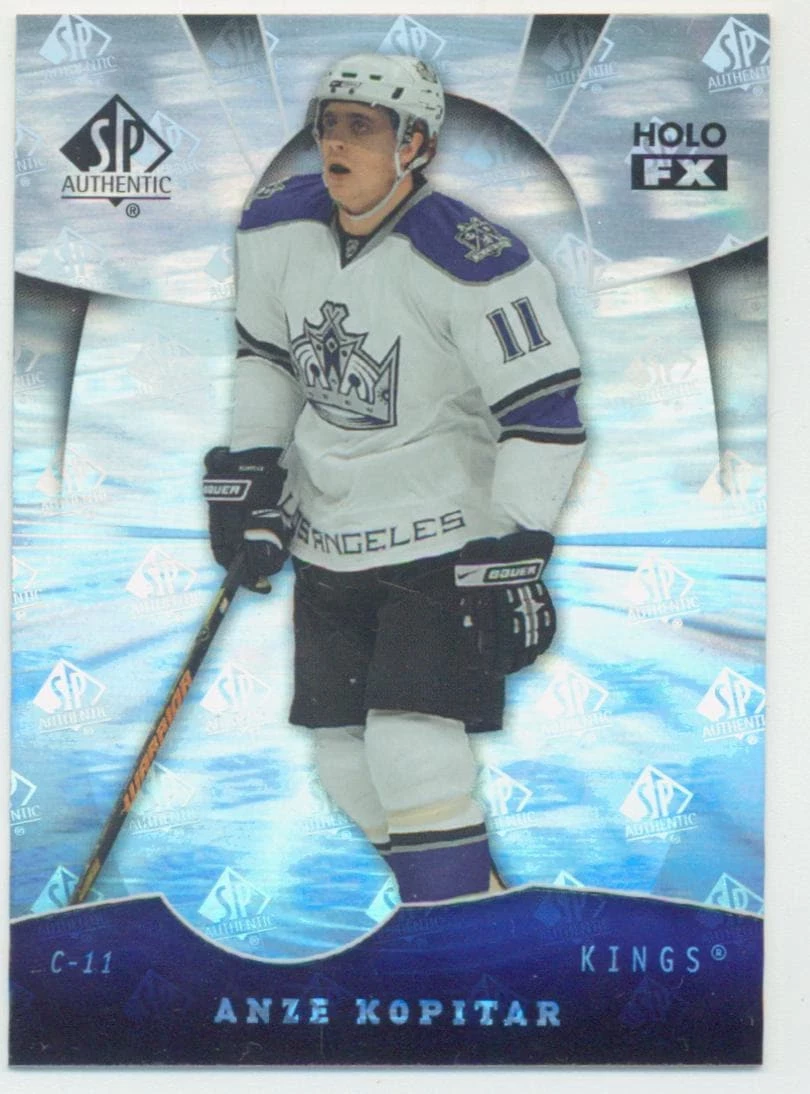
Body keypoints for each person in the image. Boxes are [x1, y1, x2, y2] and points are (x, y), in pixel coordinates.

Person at [203, 53, 586, 904]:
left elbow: (545, 413)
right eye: (328, 124)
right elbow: (268, 356)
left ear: (414, 145)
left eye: (361, 127)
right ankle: (465, 908)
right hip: (329, 535)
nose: (336, 143)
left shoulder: (474, 259)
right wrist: (254, 470)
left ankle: (455, 926)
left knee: (411, 749)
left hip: (443, 538)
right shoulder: (274, 224)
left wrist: (516, 546)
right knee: (344, 760)